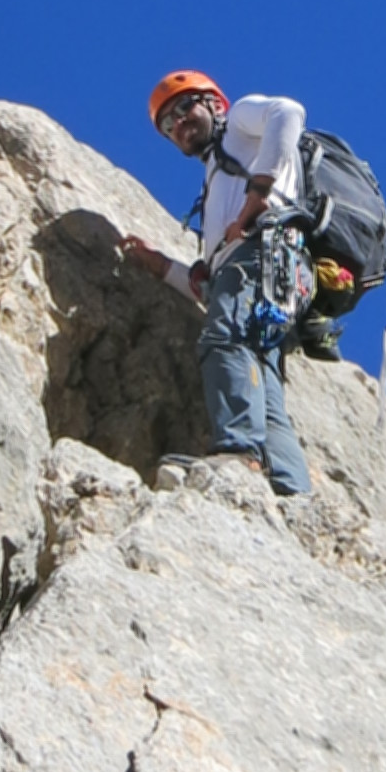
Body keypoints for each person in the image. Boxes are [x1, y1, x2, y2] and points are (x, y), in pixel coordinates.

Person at [123, 71, 315, 496]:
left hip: (263, 253)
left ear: (215, 104)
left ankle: (239, 452)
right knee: (264, 384)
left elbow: (288, 111)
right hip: (273, 270)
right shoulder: (216, 181)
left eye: (184, 108)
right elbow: (213, 289)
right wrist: (160, 267)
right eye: (168, 125)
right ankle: (292, 493)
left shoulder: (242, 122)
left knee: (224, 339)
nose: (178, 124)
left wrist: (260, 192)